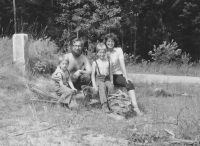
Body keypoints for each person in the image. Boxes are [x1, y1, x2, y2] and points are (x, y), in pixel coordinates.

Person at [104, 33, 143, 116]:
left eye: (112, 41)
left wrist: (126, 77)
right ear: (105, 42)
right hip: (107, 76)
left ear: (115, 42)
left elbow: (122, 64)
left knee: (129, 83)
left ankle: (135, 107)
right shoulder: (103, 51)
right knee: (109, 87)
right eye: (108, 41)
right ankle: (108, 107)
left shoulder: (118, 50)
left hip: (117, 75)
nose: (110, 43)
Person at [91, 43, 113, 113]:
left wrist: (112, 82)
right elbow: (92, 75)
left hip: (106, 79)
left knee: (110, 87)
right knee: (102, 86)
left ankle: (111, 103)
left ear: (106, 52)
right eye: (100, 52)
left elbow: (111, 74)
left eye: (104, 52)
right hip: (99, 79)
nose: (102, 54)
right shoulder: (95, 62)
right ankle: (104, 105)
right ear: (97, 53)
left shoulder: (109, 62)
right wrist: (94, 85)